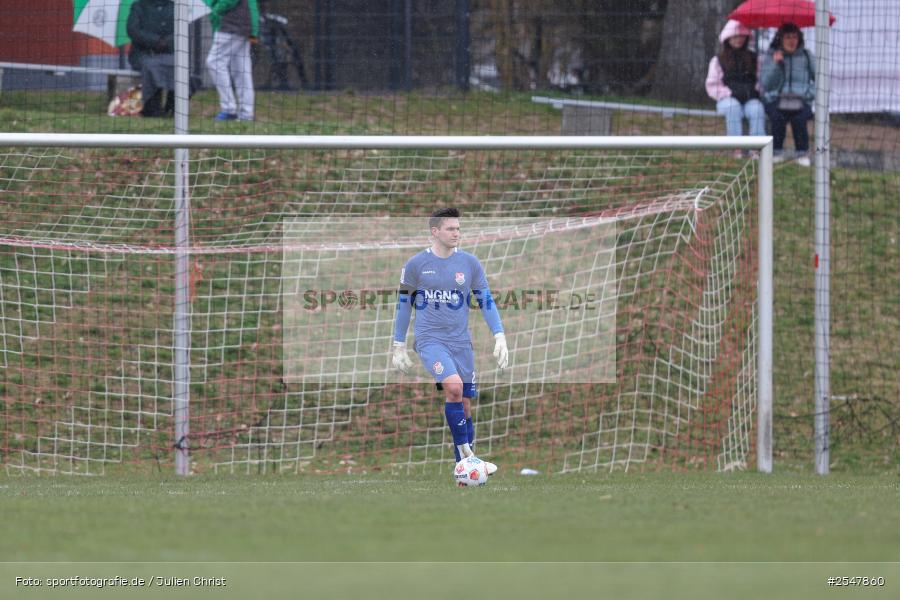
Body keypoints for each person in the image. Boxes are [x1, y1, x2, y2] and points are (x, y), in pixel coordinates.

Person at [392, 208, 508, 477]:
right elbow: (404, 306)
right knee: (454, 388)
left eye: (458, 228)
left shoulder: (469, 263)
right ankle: (468, 458)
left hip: (461, 343)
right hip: (430, 341)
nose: (457, 233)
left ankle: (465, 465)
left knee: (464, 404)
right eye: (450, 229)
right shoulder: (416, 265)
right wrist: (398, 345)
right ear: (435, 231)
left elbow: (486, 299)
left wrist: (499, 334)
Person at [760, 22, 816, 166]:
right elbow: (765, 83)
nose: (792, 41)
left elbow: (820, 79)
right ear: (780, 39)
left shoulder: (807, 55)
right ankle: (776, 152)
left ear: (799, 39)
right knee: (778, 116)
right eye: (788, 37)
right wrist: (775, 64)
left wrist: (808, 94)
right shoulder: (771, 55)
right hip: (776, 99)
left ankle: (802, 154)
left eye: (795, 37)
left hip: (801, 99)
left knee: (799, 118)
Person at [705, 20, 766, 149]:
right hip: (727, 100)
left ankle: (756, 150)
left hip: (750, 100)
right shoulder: (718, 60)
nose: (739, 39)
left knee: (757, 109)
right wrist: (729, 94)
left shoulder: (755, 58)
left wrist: (755, 92)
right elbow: (712, 85)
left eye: (742, 35)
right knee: (733, 107)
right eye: (735, 36)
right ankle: (735, 149)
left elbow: (762, 81)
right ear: (727, 38)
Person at [206, 0, 260, 121]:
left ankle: (229, 109)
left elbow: (227, 2)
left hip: (232, 24)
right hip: (245, 24)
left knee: (214, 62)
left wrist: (215, 10)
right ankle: (246, 113)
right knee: (241, 69)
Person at [126, 0, 175, 117]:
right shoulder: (138, 6)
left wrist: (166, 42)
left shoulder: (175, 7)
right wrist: (155, 41)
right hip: (142, 54)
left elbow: (181, 31)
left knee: (179, 67)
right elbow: (133, 30)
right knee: (151, 66)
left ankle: (172, 106)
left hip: (168, 54)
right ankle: (151, 108)